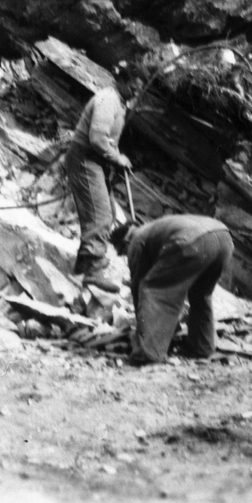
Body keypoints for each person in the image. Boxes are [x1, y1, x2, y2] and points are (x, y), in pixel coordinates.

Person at [110, 214, 234, 366]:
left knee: (153, 289)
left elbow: (139, 288)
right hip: (223, 238)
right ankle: (202, 347)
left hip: (192, 241)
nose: (126, 256)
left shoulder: (136, 240)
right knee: (200, 294)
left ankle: (149, 354)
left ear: (124, 242)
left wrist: (144, 329)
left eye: (123, 252)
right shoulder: (154, 229)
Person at [65, 75, 138, 292]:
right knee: (100, 215)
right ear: (122, 80)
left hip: (95, 161)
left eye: (139, 88)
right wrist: (116, 158)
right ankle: (93, 272)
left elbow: (107, 140)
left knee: (110, 212)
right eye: (134, 84)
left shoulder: (119, 102)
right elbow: (97, 138)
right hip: (84, 158)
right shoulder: (107, 100)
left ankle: (83, 263)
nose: (136, 91)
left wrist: (115, 157)